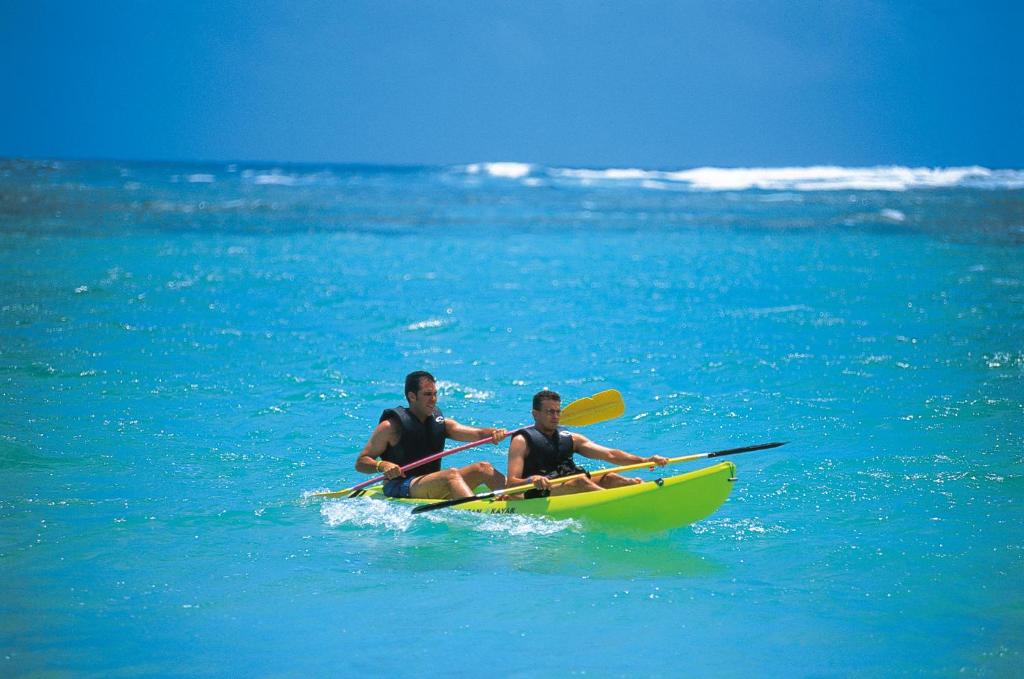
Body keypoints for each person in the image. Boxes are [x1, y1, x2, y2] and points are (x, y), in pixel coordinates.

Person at [356, 370, 507, 499]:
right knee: (451, 475)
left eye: (435, 394)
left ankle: (515, 499)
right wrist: (382, 465)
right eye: (427, 394)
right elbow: (361, 462)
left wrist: (493, 433)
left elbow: (479, 434)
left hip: (431, 482)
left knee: (483, 468)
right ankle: (475, 510)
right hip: (401, 486)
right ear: (412, 396)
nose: (433, 399)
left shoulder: (441, 423)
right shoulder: (390, 427)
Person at [507, 389, 667, 498]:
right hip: (540, 491)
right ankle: (617, 502)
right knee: (580, 481)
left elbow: (610, 454)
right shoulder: (521, 441)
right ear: (535, 414)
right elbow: (511, 485)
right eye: (550, 412)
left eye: (558, 411)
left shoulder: (571, 438)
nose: (555, 416)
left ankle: (644, 492)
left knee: (610, 478)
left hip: (570, 482)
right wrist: (531, 480)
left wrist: (645, 460)